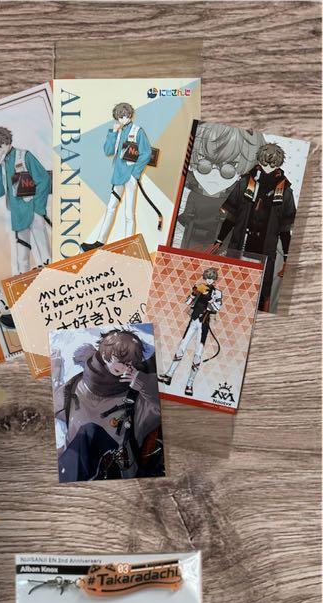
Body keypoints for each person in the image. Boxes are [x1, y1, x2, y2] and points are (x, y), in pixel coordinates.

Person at [54, 329, 164, 482]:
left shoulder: (136, 397)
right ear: (105, 356)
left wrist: (141, 381)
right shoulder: (74, 387)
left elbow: (162, 406)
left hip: (116, 474)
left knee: (90, 431)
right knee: (86, 434)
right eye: (122, 361)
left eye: (131, 363)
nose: (127, 367)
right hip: (74, 473)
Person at [215, 141, 296, 312]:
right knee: (231, 285)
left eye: (272, 164)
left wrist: (287, 257)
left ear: (278, 164)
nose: (267, 168)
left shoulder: (285, 191)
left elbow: (285, 229)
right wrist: (219, 240)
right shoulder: (245, 182)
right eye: (265, 163)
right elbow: (231, 216)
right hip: (241, 244)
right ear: (259, 161)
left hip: (265, 250)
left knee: (257, 294)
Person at [175, 123, 265, 250]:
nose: (214, 174)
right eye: (204, 164)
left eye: (229, 168)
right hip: (190, 240)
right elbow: (184, 216)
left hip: (222, 243)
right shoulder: (191, 194)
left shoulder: (236, 197)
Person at [81, 103, 153, 251]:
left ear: (130, 115)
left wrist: (135, 173)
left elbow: (146, 153)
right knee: (111, 207)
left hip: (130, 176)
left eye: (125, 116)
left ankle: (128, 245)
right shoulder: (118, 132)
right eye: (120, 117)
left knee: (129, 212)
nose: (122, 119)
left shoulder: (138, 131)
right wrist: (113, 132)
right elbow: (107, 150)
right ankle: (100, 241)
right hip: (118, 175)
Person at [0, 125, 51, 274]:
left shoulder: (24, 156)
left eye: (0, 146)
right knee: (22, 253)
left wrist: (38, 208)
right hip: (17, 214)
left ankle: (53, 275)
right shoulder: (1, 164)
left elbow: (44, 179)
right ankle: (23, 278)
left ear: (7, 141)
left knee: (44, 252)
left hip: (33, 211)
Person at [159, 267, 222, 396]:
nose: (209, 280)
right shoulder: (199, 287)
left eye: (211, 278)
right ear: (204, 278)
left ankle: (190, 384)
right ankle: (169, 375)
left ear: (215, 280)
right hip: (193, 320)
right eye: (207, 278)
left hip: (204, 323)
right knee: (181, 346)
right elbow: (187, 302)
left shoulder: (217, 293)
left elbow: (217, 308)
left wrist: (209, 298)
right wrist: (194, 293)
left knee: (198, 353)